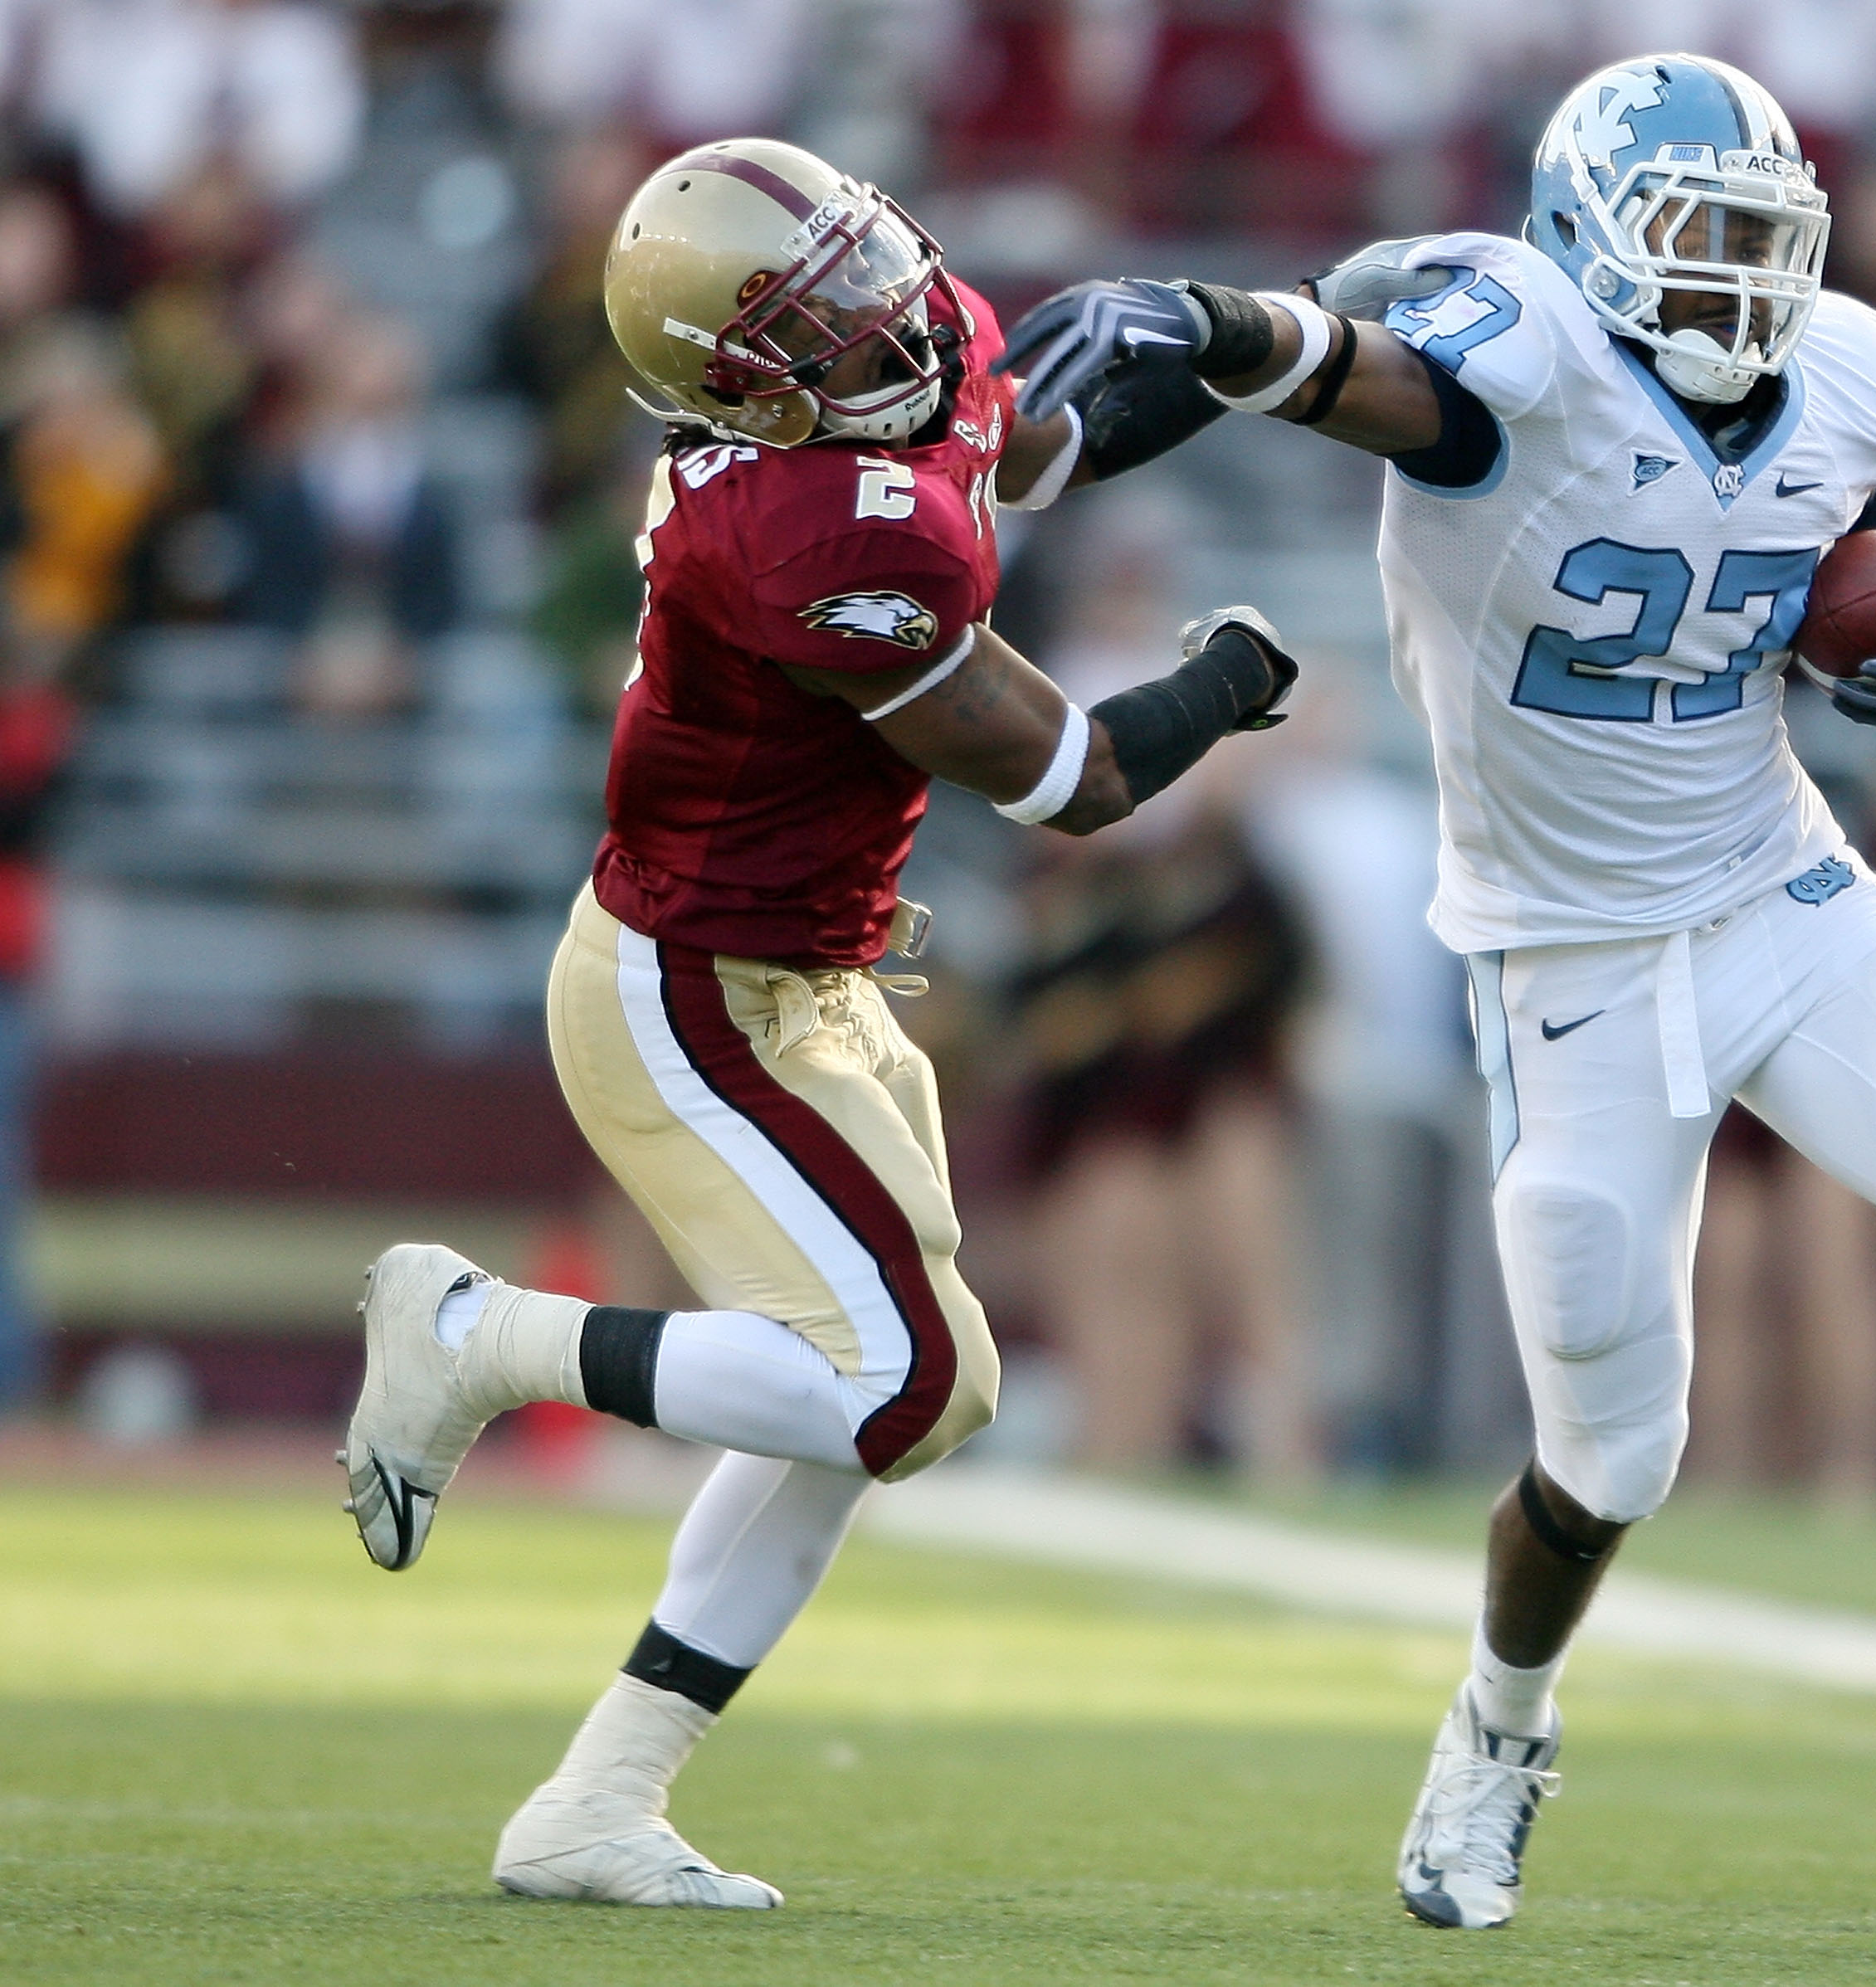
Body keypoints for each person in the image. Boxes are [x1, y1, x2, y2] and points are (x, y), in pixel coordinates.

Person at [999, 52, 1876, 1928]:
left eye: (1771, 241)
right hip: (1568, 955)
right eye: (1704, 240)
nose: (1746, 281)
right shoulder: (1523, 348)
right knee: (1610, 1452)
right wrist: (1214, 321)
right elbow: (1370, 381)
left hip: (1785, 896)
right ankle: (1497, 1730)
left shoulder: (1849, 366)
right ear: (1590, 238)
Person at [335, 137, 1299, 1908]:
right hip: (688, 990)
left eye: (866, 271)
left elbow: (1037, 435)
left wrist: (1239, 353)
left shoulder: (881, 391)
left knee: (899, 1395)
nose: (889, 324)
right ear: (751, 388)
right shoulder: (800, 533)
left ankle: (597, 1802)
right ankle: (473, 1334)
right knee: (904, 1379)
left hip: (810, 976)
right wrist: (1225, 681)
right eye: (828, 326)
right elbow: (1068, 774)